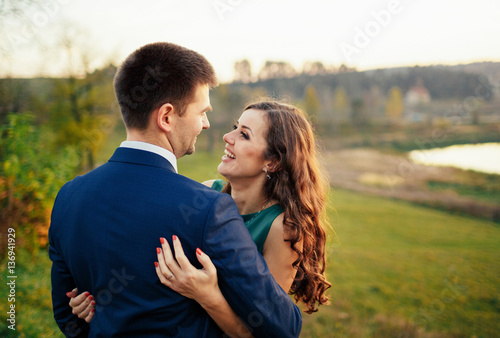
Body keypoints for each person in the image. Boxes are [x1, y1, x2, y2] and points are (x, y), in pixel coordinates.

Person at [49, 42, 302, 337]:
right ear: (167, 117)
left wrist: (94, 316)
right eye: (201, 112)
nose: (207, 125)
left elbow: (66, 317)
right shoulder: (209, 208)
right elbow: (283, 326)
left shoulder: (68, 196)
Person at [69, 101, 332, 336]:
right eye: (234, 127)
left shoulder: (281, 228)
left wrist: (208, 295)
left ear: (272, 161)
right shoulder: (206, 193)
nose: (227, 137)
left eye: (244, 135)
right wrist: (99, 300)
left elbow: (264, 330)